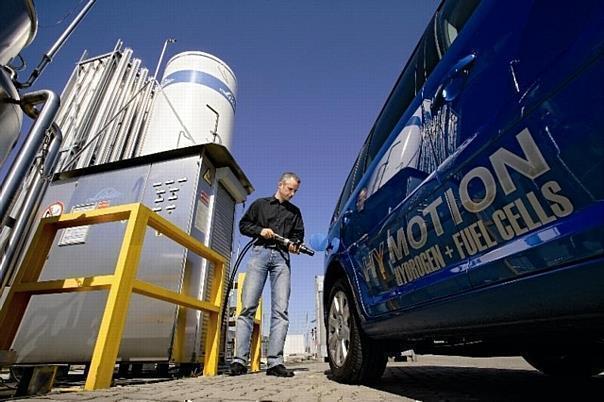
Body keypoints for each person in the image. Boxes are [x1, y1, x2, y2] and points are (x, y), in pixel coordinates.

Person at [229, 172, 305, 378]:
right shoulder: (260, 204)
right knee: (248, 307)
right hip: (259, 254)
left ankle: (275, 363)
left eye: (295, 191)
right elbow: (244, 225)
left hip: (282, 259)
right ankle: (239, 362)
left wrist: (294, 245)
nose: (292, 194)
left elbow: (298, 236)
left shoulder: (295, 212)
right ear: (280, 184)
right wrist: (260, 230)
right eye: (290, 189)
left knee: (281, 310)